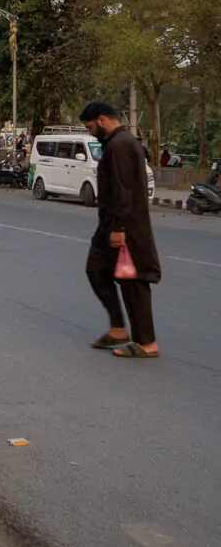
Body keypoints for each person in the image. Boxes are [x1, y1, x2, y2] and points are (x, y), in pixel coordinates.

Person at [79, 101, 161, 358]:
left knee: (132, 281)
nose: (90, 132)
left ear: (102, 120)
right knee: (96, 269)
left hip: (126, 229)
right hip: (110, 225)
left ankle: (147, 343)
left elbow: (124, 189)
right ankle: (117, 328)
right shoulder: (116, 143)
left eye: (91, 127)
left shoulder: (120, 145)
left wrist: (120, 229)